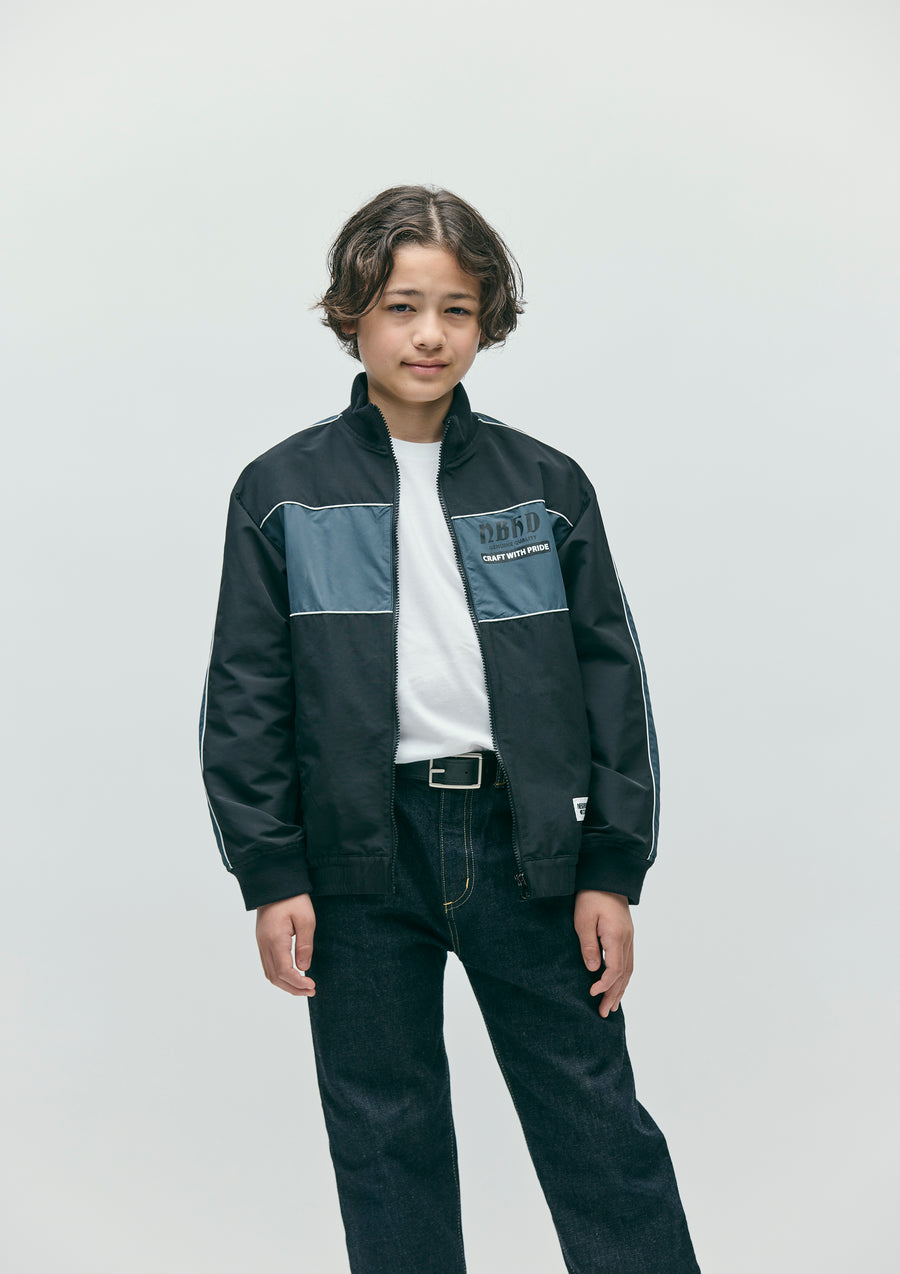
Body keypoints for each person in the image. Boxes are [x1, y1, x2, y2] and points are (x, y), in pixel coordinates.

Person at [200, 185, 700, 1273]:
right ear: (353, 314)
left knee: (596, 1125)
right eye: (402, 306)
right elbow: (245, 692)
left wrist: (612, 868)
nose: (429, 333)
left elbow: (612, 684)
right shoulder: (280, 491)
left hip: (530, 847)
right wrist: (271, 872)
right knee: (387, 1141)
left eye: (457, 309)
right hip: (357, 856)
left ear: (486, 321)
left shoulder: (547, 486)